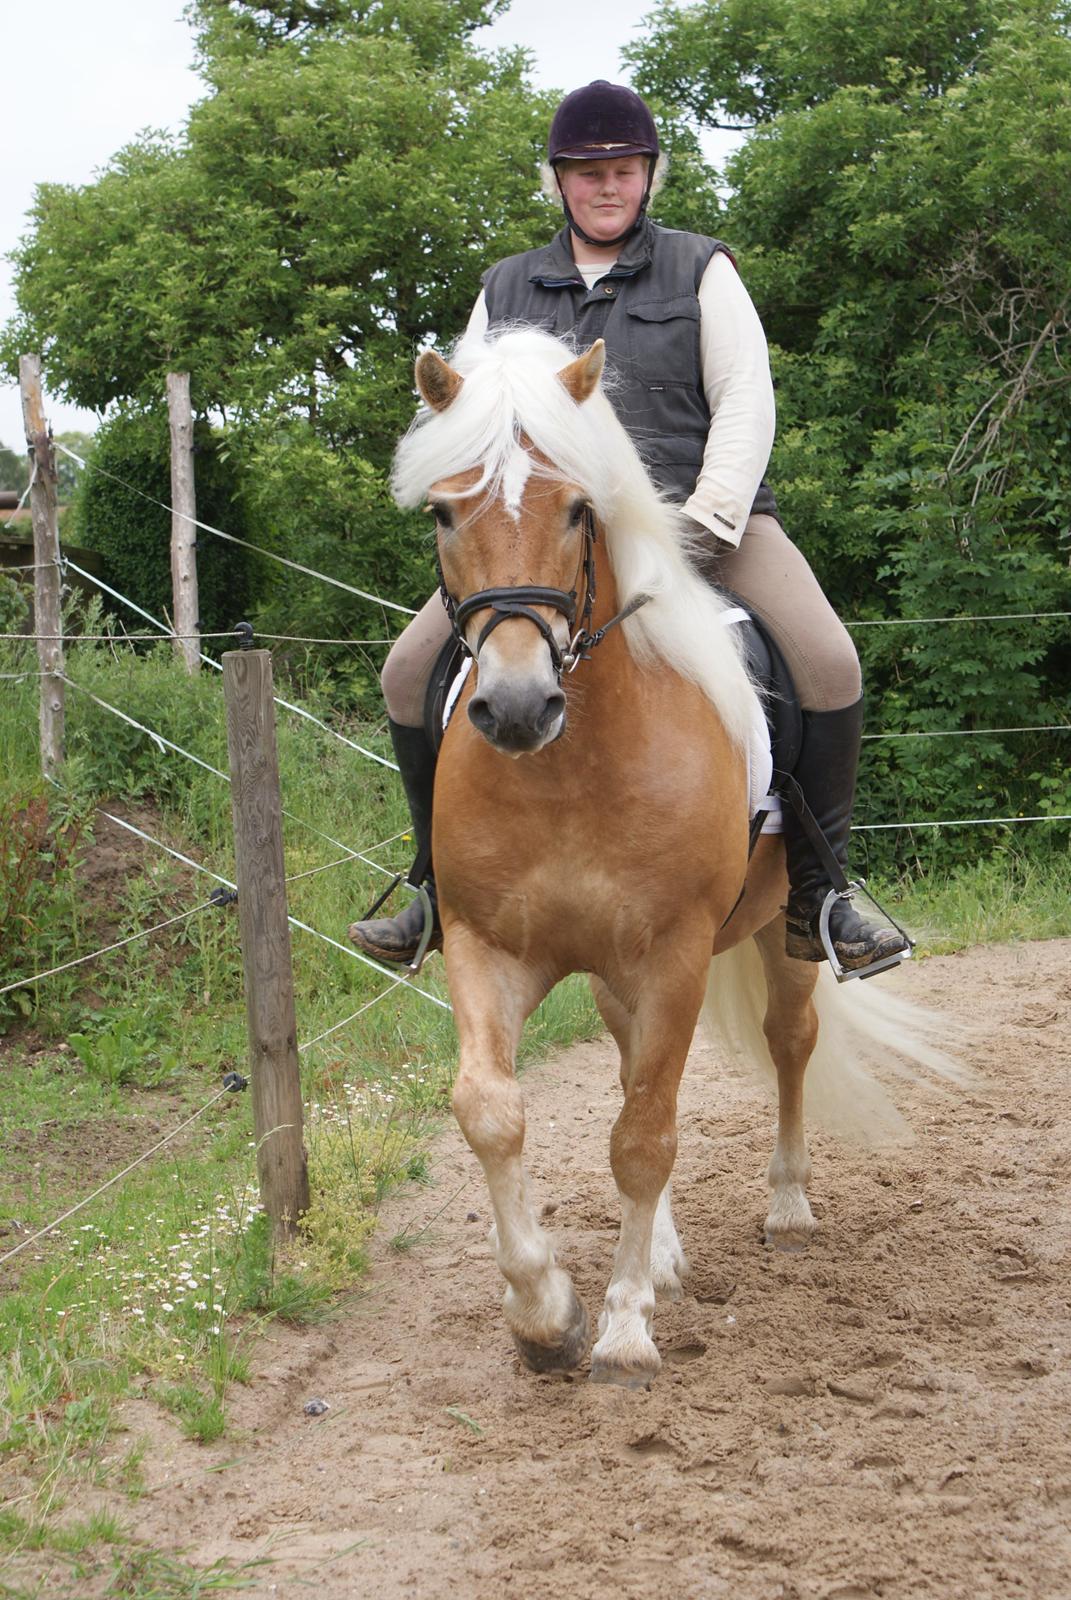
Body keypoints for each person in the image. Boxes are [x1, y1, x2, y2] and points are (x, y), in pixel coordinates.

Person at [349, 81, 909, 977]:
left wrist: (708, 518)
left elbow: (744, 400)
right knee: (406, 668)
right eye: (586, 174)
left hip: (703, 524)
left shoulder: (700, 269)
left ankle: (822, 895)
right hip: (545, 544)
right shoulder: (506, 286)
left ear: (647, 176)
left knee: (829, 659)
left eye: (621, 171)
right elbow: (466, 419)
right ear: (558, 183)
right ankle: (429, 890)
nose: (605, 188)